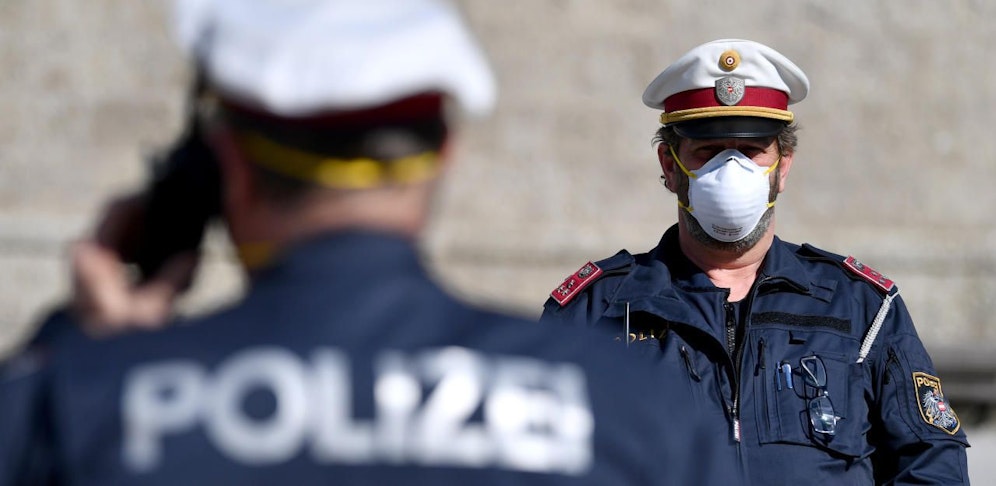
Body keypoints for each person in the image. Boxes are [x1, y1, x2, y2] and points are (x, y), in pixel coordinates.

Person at [0, 2, 744, 485]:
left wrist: (75, 345)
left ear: (228, 163)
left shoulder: (79, 407)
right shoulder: (636, 411)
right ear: (444, 150)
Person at [541, 38, 971, 485]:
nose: (731, 170)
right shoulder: (596, 313)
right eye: (708, 152)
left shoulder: (861, 310)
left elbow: (933, 466)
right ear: (670, 166)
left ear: (782, 167)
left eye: (750, 152)